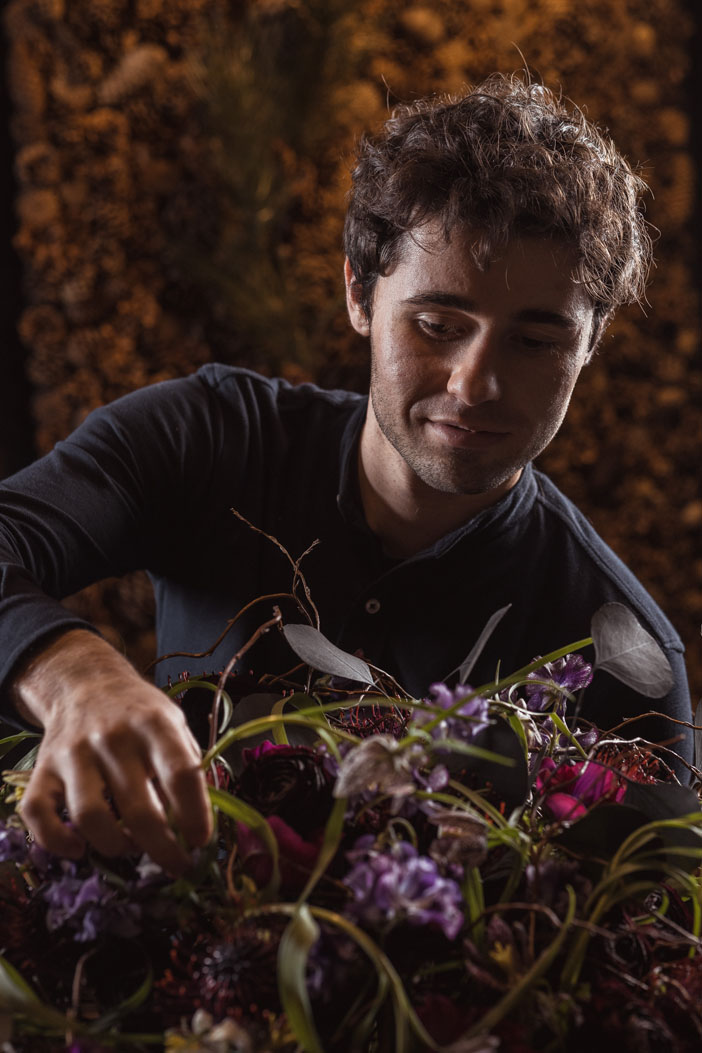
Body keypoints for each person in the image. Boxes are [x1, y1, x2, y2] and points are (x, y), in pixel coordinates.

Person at [0, 73, 692, 875]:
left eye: (534, 342)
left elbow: (643, 964)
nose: (474, 385)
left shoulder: (628, 662)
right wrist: (76, 678)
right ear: (360, 294)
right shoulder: (210, 434)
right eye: (438, 324)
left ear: (591, 342)